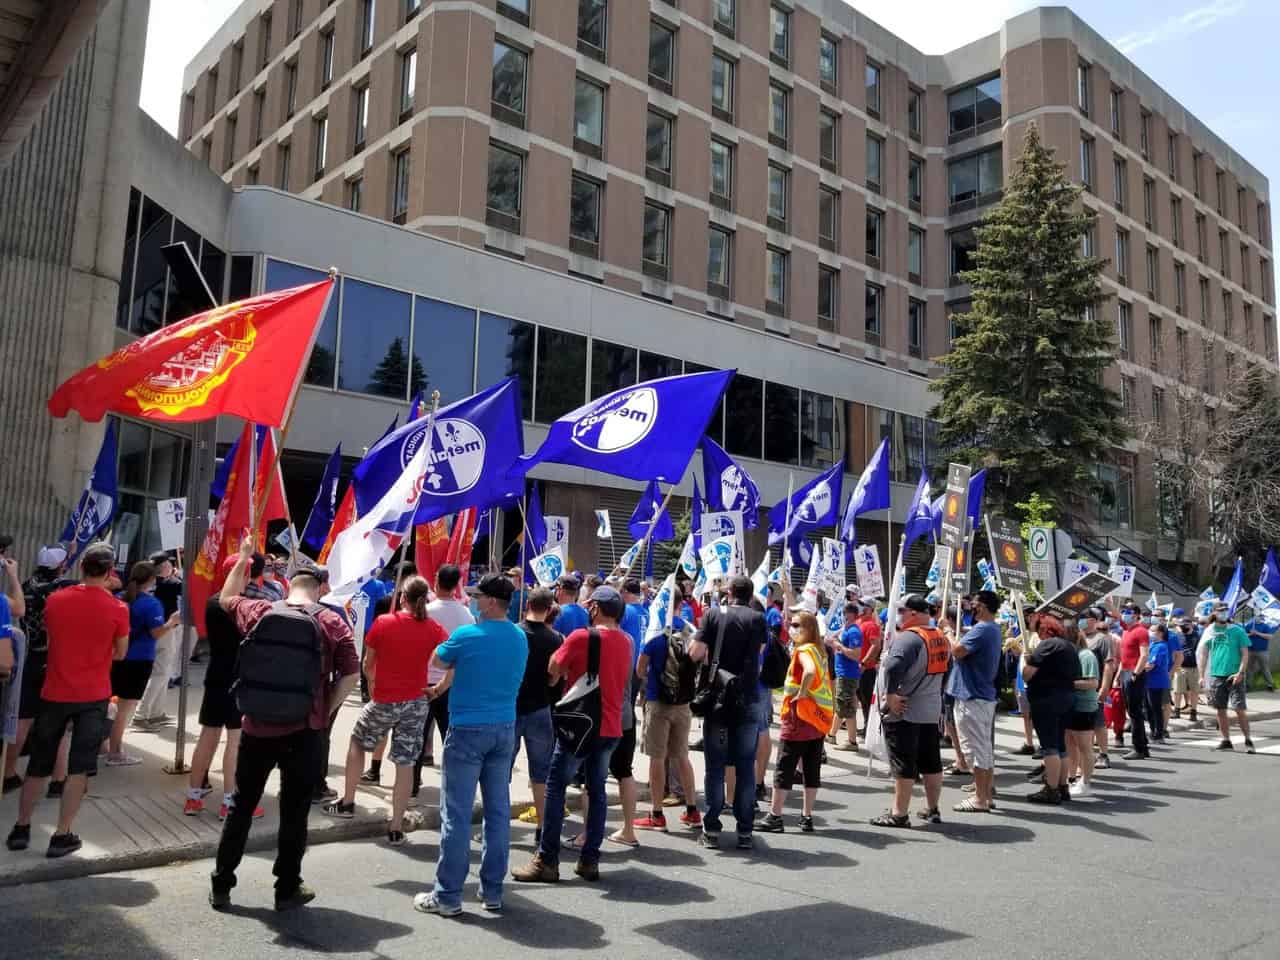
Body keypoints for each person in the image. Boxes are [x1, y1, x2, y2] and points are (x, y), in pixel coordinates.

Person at [209, 538, 358, 912]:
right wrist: (325, 709)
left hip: (257, 726)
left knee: (242, 805)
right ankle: (286, 887)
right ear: (320, 588)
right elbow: (351, 674)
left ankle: (222, 884)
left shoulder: (259, 610)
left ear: (289, 583)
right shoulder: (331, 622)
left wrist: (244, 558)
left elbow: (226, 598)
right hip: (305, 730)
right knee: (294, 810)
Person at [6, 544, 129, 858]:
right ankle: (61, 834)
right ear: (109, 572)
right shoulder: (118, 608)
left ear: (82, 568)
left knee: (38, 765)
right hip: (93, 694)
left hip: (55, 691)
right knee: (79, 769)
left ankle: (21, 827)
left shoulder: (56, 600)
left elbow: (52, 636)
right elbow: (121, 653)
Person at [414, 574, 526, 916]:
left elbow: (436, 660)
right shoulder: (519, 636)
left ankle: (448, 895)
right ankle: (492, 890)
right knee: (498, 812)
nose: (474, 602)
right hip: (503, 727)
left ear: (490, 602)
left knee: (457, 814)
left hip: (467, 728)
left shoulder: (467, 635)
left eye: (478, 597)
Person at [512, 585, 631, 883]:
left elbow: (554, 666)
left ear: (596, 608)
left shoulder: (581, 637)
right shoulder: (626, 641)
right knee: (597, 791)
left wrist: (566, 668)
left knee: (555, 787)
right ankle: (589, 859)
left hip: (581, 726)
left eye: (591, 606)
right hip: (611, 725)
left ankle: (547, 860)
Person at [325, 576, 443, 844]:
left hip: (385, 697)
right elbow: (449, 657)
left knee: (357, 742)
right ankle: (396, 824)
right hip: (416, 701)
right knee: (405, 761)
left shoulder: (384, 622)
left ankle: (347, 801)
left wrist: (373, 682)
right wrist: (438, 688)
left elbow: (368, 664)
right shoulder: (433, 628)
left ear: (402, 597)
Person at [683, 575, 766, 850]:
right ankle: (745, 831)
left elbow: (695, 653)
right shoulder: (758, 618)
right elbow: (760, 651)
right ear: (750, 595)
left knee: (716, 766)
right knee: (745, 767)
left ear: (729, 592)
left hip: (719, 697)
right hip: (748, 698)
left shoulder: (714, 614)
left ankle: (712, 829)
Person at [185, 561, 263, 820]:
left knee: (207, 736)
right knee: (235, 740)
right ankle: (230, 801)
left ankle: (193, 797)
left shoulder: (212, 603)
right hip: (237, 679)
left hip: (215, 676)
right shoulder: (241, 606)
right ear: (244, 575)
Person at [871, 594, 949, 828]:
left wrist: (891, 695)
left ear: (913, 613)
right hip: (930, 710)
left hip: (905, 710)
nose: (899, 616)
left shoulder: (909, 638)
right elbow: (948, 669)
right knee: (931, 762)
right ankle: (932, 808)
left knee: (903, 763)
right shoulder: (940, 637)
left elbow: (893, 666)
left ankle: (899, 814)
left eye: (901, 611)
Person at [4, 547, 76, 793]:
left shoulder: (26, 584)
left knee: (22, 720)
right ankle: (58, 779)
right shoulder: (61, 589)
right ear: (60, 566)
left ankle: (8, 773)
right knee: (61, 721)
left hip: (28, 656)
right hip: (52, 659)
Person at [757, 610, 833, 834]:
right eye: (791, 624)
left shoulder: (804, 651)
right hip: (816, 719)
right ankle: (806, 816)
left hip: (799, 718)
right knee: (811, 769)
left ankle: (775, 816)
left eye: (797, 625)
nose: (792, 628)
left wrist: (801, 693)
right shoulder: (820, 650)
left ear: (809, 629)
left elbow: (809, 672)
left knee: (785, 767)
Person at [634, 603, 699, 833]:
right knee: (682, 757)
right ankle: (692, 810)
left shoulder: (655, 637)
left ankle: (657, 814)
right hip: (683, 704)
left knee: (657, 757)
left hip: (658, 702)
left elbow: (640, 670)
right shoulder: (691, 635)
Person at [107, 561, 180, 765]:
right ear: (151, 580)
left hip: (115, 656)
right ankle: (115, 752)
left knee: (108, 704)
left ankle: (105, 746)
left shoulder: (118, 598)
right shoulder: (151, 604)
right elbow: (156, 633)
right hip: (138, 660)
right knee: (124, 710)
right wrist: (172, 622)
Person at [409, 563, 474, 785]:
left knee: (417, 735)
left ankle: (413, 783)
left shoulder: (425, 612)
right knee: (451, 736)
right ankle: (453, 784)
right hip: (453, 683)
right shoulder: (467, 615)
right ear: (456, 585)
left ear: (436, 582)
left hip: (423, 682)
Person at [945, 590, 1002, 814]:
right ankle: (985, 794)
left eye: (975, 605)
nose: (971, 608)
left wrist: (949, 633)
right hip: (981, 695)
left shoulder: (983, 629)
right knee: (983, 749)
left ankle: (980, 798)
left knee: (975, 750)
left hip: (972, 696)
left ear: (983, 607)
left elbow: (957, 651)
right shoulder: (991, 628)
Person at [511, 588, 562, 836]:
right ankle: (542, 826)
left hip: (511, 708)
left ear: (527, 604)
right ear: (549, 608)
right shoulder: (556, 639)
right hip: (541, 708)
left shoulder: (513, 633)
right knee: (541, 772)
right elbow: (554, 679)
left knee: (500, 771)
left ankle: (495, 827)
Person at [1022, 615, 1081, 805]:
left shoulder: (1047, 645)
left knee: (1049, 747)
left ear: (1045, 630)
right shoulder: (1070, 647)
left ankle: (1052, 788)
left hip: (1047, 699)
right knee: (1060, 745)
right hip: (1066, 698)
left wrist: (1027, 661)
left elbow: (1027, 675)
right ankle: (1063, 786)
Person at [1200, 601, 1254, 753]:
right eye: (1220, 610)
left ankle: (1248, 740)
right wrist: (1202, 675)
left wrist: (1240, 672)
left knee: (1239, 708)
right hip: (1217, 675)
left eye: (1225, 610)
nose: (1223, 613)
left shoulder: (1237, 630)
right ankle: (1226, 740)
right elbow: (1204, 654)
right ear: (1214, 613)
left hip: (1235, 675)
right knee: (1220, 709)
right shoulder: (1210, 631)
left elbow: (1245, 654)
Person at [1067, 618, 1100, 797]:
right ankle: (1071, 778)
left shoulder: (1087, 656)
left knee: (1084, 746)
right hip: (1070, 705)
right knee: (1070, 744)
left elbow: (1092, 683)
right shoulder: (1071, 654)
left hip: (1084, 707)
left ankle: (1086, 782)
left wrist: (1067, 683)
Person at [1083, 607, 1117, 770]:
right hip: (1079, 688)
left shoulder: (1102, 639)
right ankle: (1087, 754)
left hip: (1095, 687)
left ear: (1093, 620)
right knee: (1084, 724)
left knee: (1098, 722)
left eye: (1084, 618)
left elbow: (1109, 665)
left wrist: (1104, 688)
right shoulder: (1078, 637)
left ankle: (1103, 754)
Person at [1117, 601, 1151, 760]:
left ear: (1136, 615)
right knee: (1132, 711)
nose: (1124, 614)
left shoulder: (1141, 631)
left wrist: (1136, 673)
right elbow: (1116, 615)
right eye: (1124, 611)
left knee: (1135, 712)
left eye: (1128, 612)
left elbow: (1144, 655)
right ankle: (1143, 746)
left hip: (1134, 673)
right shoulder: (1126, 629)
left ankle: (1139, 748)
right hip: (1125, 672)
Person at [831, 602, 863, 752]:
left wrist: (840, 647)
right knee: (842, 706)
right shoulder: (846, 629)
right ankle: (831, 734)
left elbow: (856, 655)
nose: (842, 616)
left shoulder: (854, 632)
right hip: (843, 673)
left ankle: (852, 742)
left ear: (851, 615)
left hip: (848, 675)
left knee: (847, 708)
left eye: (844, 613)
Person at [855, 599, 882, 738]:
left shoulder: (871, 625)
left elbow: (875, 645)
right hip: (856, 669)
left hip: (865, 670)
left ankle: (869, 730)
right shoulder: (858, 622)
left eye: (862, 605)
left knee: (866, 701)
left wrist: (864, 663)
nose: (859, 607)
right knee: (861, 699)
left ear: (870, 609)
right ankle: (866, 727)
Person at [1145, 623, 1174, 743]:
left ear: (1160, 633)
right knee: (1149, 708)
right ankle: (1153, 731)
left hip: (1156, 682)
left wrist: (1137, 669)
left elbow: (1151, 665)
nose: (1150, 632)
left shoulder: (1161, 646)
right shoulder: (1152, 644)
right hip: (1149, 681)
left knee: (1155, 708)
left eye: (1153, 630)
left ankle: (1159, 734)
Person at [1172, 616, 1201, 721]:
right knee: (1177, 690)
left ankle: (1193, 712)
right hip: (1180, 667)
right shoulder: (1177, 636)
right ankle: (1177, 711)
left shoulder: (1197, 636)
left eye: (1184, 625)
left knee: (1194, 691)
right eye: (1181, 626)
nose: (1182, 627)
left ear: (1190, 625)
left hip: (1194, 667)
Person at [1245, 616, 1275, 692]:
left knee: (1264, 668)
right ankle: (1248, 685)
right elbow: (1243, 635)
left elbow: (1269, 636)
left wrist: (1257, 633)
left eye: (1259, 617)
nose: (1257, 618)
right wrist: (1250, 634)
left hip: (1263, 651)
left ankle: (1270, 685)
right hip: (1250, 650)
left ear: (1261, 618)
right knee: (1249, 669)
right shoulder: (1249, 625)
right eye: (1256, 616)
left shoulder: (1265, 626)